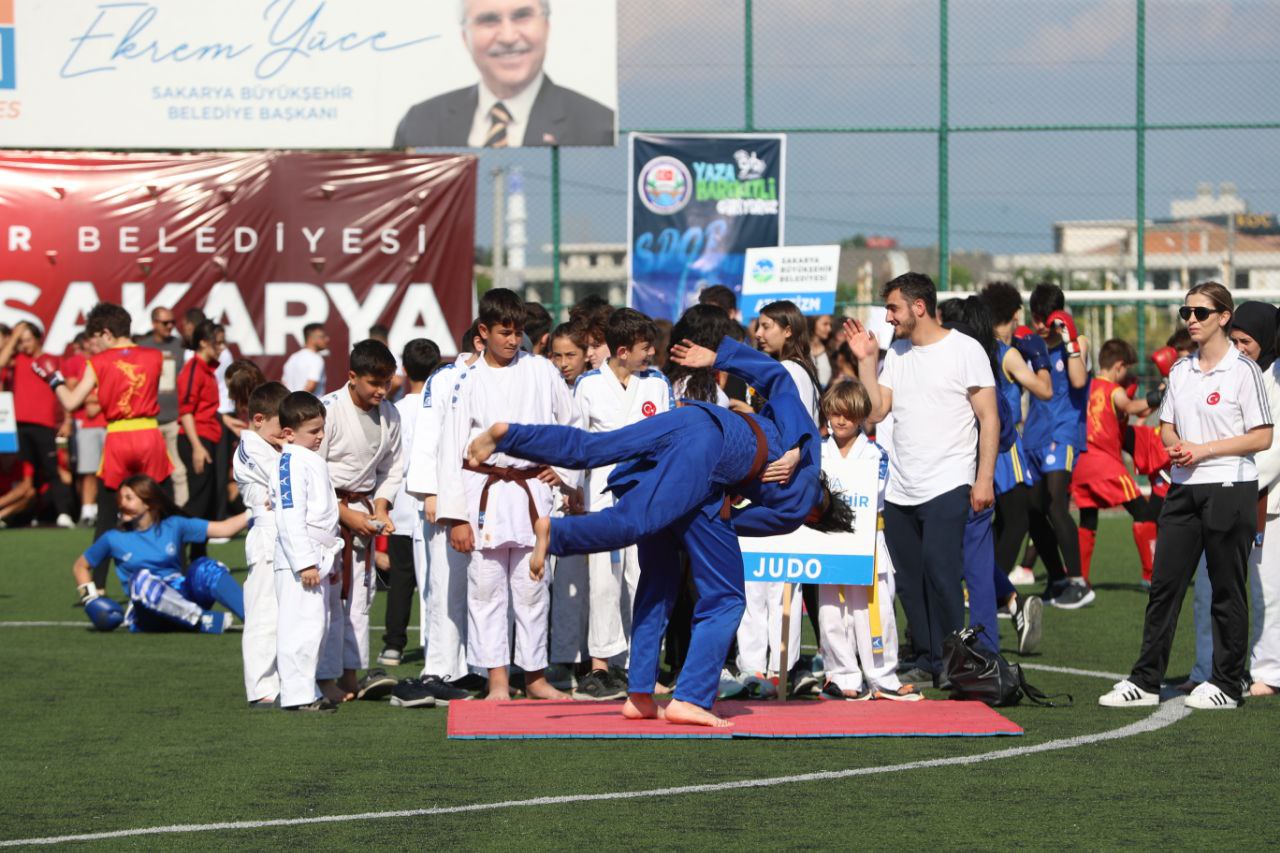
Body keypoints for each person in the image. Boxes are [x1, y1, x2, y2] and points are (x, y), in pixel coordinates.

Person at [469, 334, 851, 727]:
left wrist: (720, 357)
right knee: (722, 595)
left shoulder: (793, 429)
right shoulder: (803, 496)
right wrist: (795, 454)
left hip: (689, 420)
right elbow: (735, 523)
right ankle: (689, 697)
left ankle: (509, 435)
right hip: (710, 453)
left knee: (602, 463)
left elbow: (781, 383)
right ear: (817, 517)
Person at [1100, 282, 1272, 711]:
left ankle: (1228, 684)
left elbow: (1262, 437)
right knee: (1165, 586)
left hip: (1230, 487)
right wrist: (1176, 444)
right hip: (1183, 487)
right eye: (1186, 312)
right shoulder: (1180, 371)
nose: (1191, 320)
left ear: (1223, 317)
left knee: (1227, 589)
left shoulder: (1244, 370)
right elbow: (1168, 426)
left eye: (1200, 312)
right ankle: (1145, 680)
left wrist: (1203, 450)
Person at [845, 272, 999, 686]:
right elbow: (876, 412)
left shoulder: (966, 350)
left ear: (919, 306)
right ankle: (931, 659)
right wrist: (865, 360)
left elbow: (989, 418)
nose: (888, 317)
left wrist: (983, 480)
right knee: (910, 582)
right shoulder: (895, 352)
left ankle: (956, 662)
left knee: (942, 575)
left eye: (893, 308)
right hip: (900, 486)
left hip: (949, 481)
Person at [436, 288, 583, 702]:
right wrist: (457, 517)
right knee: (486, 590)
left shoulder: (541, 370)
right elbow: (450, 450)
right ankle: (497, 680)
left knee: (534, 587)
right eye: (504, 332)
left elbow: (570, 424)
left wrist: (565, 471)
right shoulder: (464, 379)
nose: (512, 340)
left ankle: (535, 677)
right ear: (483, 331)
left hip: (531, 490)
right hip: (482, 494)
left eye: (518, 332)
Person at [570, 308, 675, 701]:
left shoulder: (658, 384)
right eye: (645, 348)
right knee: (602, 581)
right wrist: (571, 488)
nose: (651, 354)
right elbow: (577, 441)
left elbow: (668, 438)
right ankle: (601, 666)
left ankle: (642, 667)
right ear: (623, 350)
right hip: (600, 491)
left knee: (642, 578)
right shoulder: (588, 385)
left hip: (646, 492)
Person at [36, 303, 174, 591]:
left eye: (95, 338)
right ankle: (177, 580)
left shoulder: (98, 363)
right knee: (165, 512)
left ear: (107, 333)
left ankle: (95, 587)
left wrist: (53, 380)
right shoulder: (155, 356)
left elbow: (72, 403)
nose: (93, 345)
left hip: (118, 438)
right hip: (149, 434)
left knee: (108, 517)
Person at [816, 379, 919, 701]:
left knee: (875, 611)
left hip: (867, 538)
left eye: (848, 414)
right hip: (828, 538)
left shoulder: (875, 454)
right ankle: (841, 675)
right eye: (835, 413)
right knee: (830, 610)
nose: (841, 420)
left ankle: (882, 676)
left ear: (861, 417)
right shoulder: (818, 452)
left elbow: (871, 494)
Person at [738, 300, 821, 696]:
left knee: (771, 580)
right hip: (777, 480)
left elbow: (801, 427)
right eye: (758, 326)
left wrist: (790, 456)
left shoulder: (790, 371)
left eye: (767, 325)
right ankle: (768, 669)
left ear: (789, 329)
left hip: (783, 482)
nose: (759, 333)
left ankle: (769, 670)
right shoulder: (790, 370)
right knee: (766, 579)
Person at [393, 0, 614, 148]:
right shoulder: (419, 126)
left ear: (546, 26)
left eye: (522, 16)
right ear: (464, 36)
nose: (508, 37)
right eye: (489, 20)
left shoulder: (601, 130)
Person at [317, 340, 404, 701]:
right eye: (374, 383)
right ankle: (324, 679)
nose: (382, 390)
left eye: (387, 382)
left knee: (361, 596)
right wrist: (345, 514)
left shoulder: (391, 415)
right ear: (352, 377)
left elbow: (393, 468)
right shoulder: (327, 410)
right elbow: (311, 472)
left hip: (365, 511)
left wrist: (381, 507)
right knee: (328, 597)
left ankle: (351, 676)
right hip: (326, 515)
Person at [404, 336, 483, 702]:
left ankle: (476, 667)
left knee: (485, 586)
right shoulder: (444, 378)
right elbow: (427, 437)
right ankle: (439, 667)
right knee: (445, 583)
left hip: (487, 492)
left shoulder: (515, 374)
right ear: (481, 339)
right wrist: (430, 493)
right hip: (447, 492)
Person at [72, 475, 246, 633]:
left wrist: (255, 511)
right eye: (120, 498)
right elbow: (81, 566)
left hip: (182, 594)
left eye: (129, 498)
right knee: (140, 580)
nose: (121, 503)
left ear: (148, 503)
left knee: (206, 567)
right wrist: (90, 599)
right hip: (148, 614)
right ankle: (201, 620)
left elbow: (225, 528)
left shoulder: (175, 525)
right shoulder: (113, 538)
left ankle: (252, 619)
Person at [272, 391, 345, 712]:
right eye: (313, 431)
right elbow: (289, 516)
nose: (320, 436)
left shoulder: (308, 459)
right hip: (299, 557)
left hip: (321, 552)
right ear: (288, 433)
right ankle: (297, 694)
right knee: (300, 624)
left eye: (321, 429)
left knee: (318, 623)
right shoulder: (288, 461)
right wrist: (304, 563)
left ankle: (309, 685)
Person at [1022, 283, 1093, 608]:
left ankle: (1079, 582)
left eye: (1043, 318)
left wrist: (1069, 340)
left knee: (1054, 504)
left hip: (1063, 432)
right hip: (1034, 434)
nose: (1038, 325)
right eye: (1035, 317)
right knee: (1032, 511)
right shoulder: (1031, 344)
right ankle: (1057, 578)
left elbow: (1078, 381)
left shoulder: (1078, 343)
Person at [1071, 339, 1160, 584]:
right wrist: (1159, 396)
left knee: (1088, 519)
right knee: (1142, 512)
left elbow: (1132, 411)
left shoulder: (1083, 385)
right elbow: (1131, 406)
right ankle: (1151, 575)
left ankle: (1079, 580)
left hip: (1081, 464)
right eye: (1127, 369)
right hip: (1105, 465)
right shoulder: (1114, 390)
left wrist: (1149, 404)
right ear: (1119, 366)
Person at [377, 340, 441, 672]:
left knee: (402, 580)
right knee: (436, 579)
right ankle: (435, 647)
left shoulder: (394, 411)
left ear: (403, 369)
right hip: (432, 506)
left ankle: (393, 645)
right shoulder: (439, 408)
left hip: (401, 505)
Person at [232, 380, 290, 707]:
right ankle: (261, 686)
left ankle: (284, 678)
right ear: (257, 420)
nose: (286, 433)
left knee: (287, 613)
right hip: (266, 534)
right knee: (264, 613)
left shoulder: (272, 446)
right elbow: (284, 480)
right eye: (281, 427)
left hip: (285, 532)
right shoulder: (250, 448)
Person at [0, 321, 75, 528]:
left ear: (38, 338)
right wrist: (15, 336)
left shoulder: (53, 360)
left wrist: (68, 420)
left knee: (53, 470)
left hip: (45, 424)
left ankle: (63, 514)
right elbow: (1, 361)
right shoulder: (17, 360)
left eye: (27, 340)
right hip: (20, 426)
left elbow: (65, 391)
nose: (24, 345)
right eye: (20, 342)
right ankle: (28, 515)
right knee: (27, 475)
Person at [177, 321, 226, 560]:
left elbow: (207, 409)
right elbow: (185, 411)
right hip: (196, 439)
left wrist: (228, 422)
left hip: (209, 436)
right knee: (198, 500)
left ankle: (198, 557)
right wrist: (197, 447)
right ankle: (175, 547)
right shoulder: (193, 370)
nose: (222, 347)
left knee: (207, 501)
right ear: (204, 342)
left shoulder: (207, 369)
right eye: (218, 342)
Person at [139, 306, 189, 505]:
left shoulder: (180, 346)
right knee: (148, 469)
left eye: (172, 322)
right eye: (165, 323)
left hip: (174, 417)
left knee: (178, 469)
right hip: (149, 418)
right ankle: (146, 508)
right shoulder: (143, 347)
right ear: (154, 324)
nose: (170, 326)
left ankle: (181, 510)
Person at [61, 331, 107, 528]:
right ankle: (88, 511)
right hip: (87, 424)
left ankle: (109, 509)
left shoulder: (108, 360)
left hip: (109, 422)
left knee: (109, 470)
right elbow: (72, 394)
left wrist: (95, 399)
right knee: (88, 469)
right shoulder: (78, 363)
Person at [281, 324, 329, 395]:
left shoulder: (293, 357)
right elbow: (311, 386)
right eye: (322, 337)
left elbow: (283, 384)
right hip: (308, 405)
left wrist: (290, 403)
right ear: (311, 339)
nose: (327, 339)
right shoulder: (316, 359)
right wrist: (299, 403)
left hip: (291, 404)